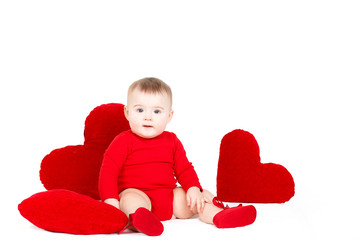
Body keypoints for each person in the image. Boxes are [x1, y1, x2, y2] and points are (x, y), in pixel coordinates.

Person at [99, 78, 256, 236]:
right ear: (127, 112)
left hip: (169, 197)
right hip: (138, 193)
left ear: (169, 116)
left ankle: (217, 215)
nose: (148, 117)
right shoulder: (123, 141)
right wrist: (110, 201)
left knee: (197, 197)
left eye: (156, 111)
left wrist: (193, 188)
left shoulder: (172, 141)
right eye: (140, 110)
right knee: (129, 200)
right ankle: (141, 221)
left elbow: (184, 169)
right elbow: (108, 173)